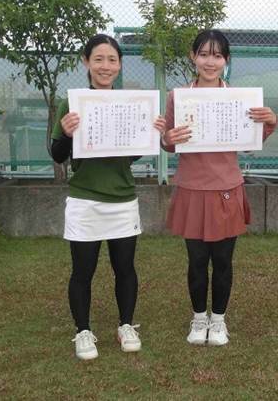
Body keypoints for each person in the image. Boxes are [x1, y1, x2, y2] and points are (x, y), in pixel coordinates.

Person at [51, 34, 166, 360]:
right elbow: (58, 154)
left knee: (125, 267)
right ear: (86, 62)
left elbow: (129, 157)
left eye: (112, 60)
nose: (105, 66)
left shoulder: (131, 104)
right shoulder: (72, 104)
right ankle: (83, 331)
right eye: (98, 59)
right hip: (85, 199)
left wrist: (149, 134)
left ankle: (126, 325)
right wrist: (68, 133)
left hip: (122, 198)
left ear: (119, 65)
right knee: (82, 270)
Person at [161, 29, 277, 346]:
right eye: (203, 54)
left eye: (217, 55)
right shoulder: (178, 97)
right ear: (193, 57)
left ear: (226, 60)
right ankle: (199, 318)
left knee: (223, 261)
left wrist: (269, 122)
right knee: (197, 261)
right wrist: (166, 139)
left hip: (227, 188)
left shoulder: (238, 99)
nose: (209, 62)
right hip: (191, 189)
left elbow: (249, 143)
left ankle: (219, 320)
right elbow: (169, 142)